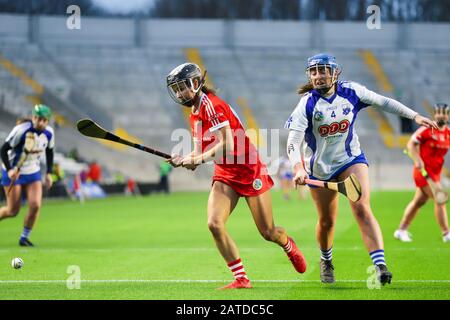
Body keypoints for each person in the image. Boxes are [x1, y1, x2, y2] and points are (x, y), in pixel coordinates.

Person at [285, 53, 437, 285]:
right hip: (320, 169)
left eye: (323, 70)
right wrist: (298, 167)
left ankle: (380, 265)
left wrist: (414, 115)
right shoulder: (306, 104)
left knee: (362, 208)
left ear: (335, 73)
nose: (318, 75)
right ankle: (326, 260)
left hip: (350, 159)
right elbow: (293, 141)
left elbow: (384, 101)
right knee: (327, 221)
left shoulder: (352, 92)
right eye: (314, 71)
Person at [166, 63, 307, 289]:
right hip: (225, 173)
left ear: (195, 83)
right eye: (176, 89)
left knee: (269, 232)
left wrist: (197, 160)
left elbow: (228, 147)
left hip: (249, 169)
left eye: (182, 87)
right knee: (214, 224)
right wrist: (183, 159)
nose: (180, 93)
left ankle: (288, 245)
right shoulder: (194, 113)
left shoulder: (212, 106)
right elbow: (199, 151)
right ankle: (241, 278)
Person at [0, 104, 55, 246]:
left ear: (47, 121)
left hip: (32, 171)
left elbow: (49, 151)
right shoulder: (21, 130)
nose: (39, 122)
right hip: (12, 171)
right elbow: (3, 149)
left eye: (43, 120)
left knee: (35, 205)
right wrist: (10, 169)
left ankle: (24, 238)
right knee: (12, 211)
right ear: (33, 117)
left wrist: (49, 173)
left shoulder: (49, 133)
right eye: (37, 118)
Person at [394, 103, 450, 243]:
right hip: (423, 171)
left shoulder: (448, 133)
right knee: (440, 199)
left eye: (444, 113)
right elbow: (411, 144)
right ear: (435, 114)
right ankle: (446, 233)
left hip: (436, 173)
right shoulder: (427, 129)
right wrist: (417, 159)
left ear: (447, 115)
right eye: (438, 112)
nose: (441, 115)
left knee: (418, 201)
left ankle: (401, 230)